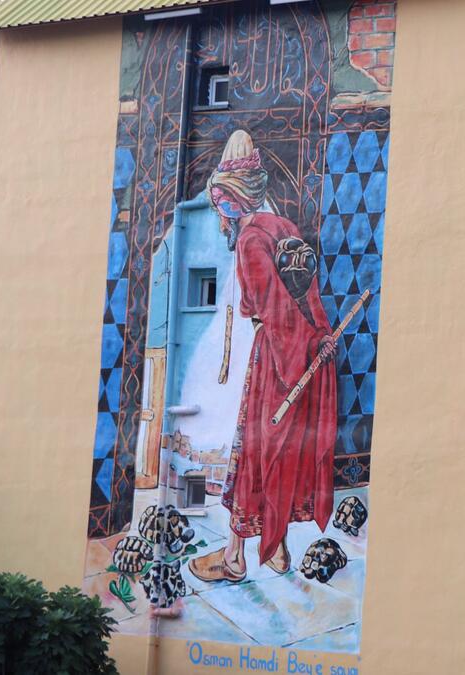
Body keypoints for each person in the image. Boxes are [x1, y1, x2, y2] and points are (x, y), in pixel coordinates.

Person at [189, 130, 338, 582]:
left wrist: (290, 354)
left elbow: (272, 312)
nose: (221, 213)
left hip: (274, 361)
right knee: (280, 454)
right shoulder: (287, 230)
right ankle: (276, 552)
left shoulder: (252, 241)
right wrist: (320, 339)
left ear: (237, 198)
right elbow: (308, 299)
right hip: (299, 354)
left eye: (223, 203)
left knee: (252, 453)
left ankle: (235, 557)